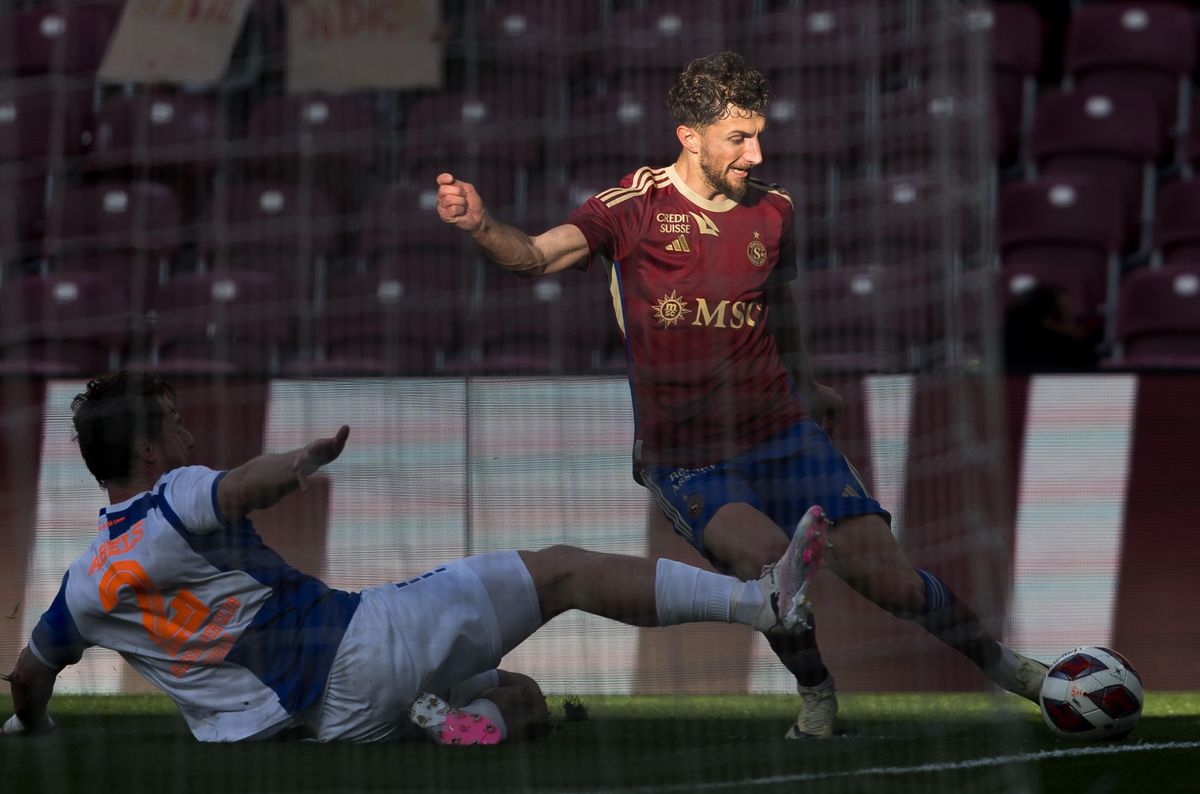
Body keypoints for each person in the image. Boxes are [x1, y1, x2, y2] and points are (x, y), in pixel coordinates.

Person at [435, 50, 1048, 739]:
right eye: (738, 138)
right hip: (687, 456)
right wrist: (482, 226)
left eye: (758, 135)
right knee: (769, 568)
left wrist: (807, 381)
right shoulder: (632, 208)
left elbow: (779, 306)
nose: (755, 153)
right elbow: (536, 256)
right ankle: (817, 695)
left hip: (780, 432)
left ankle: (1016, 672)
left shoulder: (774, 211)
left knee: (895, 583)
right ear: (689, 137)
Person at [2, 371, 826, 745]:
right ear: (149, 451)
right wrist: (299, 463)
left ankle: (468, 729)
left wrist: (30, 727)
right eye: (173, 423)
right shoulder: (175, 496)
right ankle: (762, 603)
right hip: (358, 648)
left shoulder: (82, 586)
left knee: (524, 694)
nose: (186, 433)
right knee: (561, 570)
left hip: (318, 728)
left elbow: (30, 676)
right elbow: (237, 487)